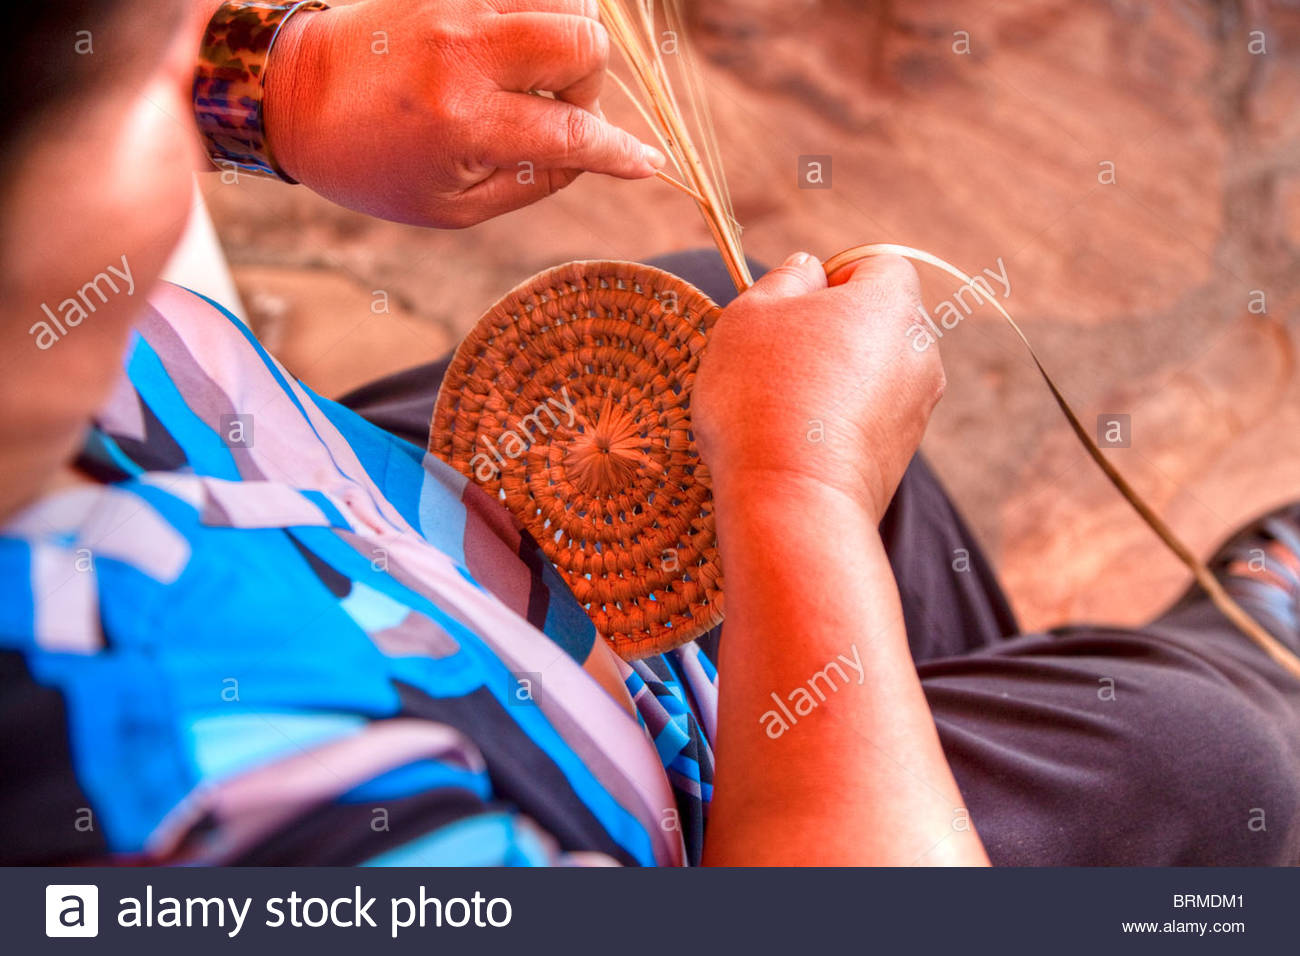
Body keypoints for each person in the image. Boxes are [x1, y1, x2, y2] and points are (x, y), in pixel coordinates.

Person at [1, 0, 1297, 867]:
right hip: (609, 812)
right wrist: (798, 494)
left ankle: (935, 702)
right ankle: (1250, 662)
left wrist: (267, 82)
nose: (193, 87)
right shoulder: (169, 804)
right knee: (1198, 750)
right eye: (151, 91)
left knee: (712, 319)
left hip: (384, 566)